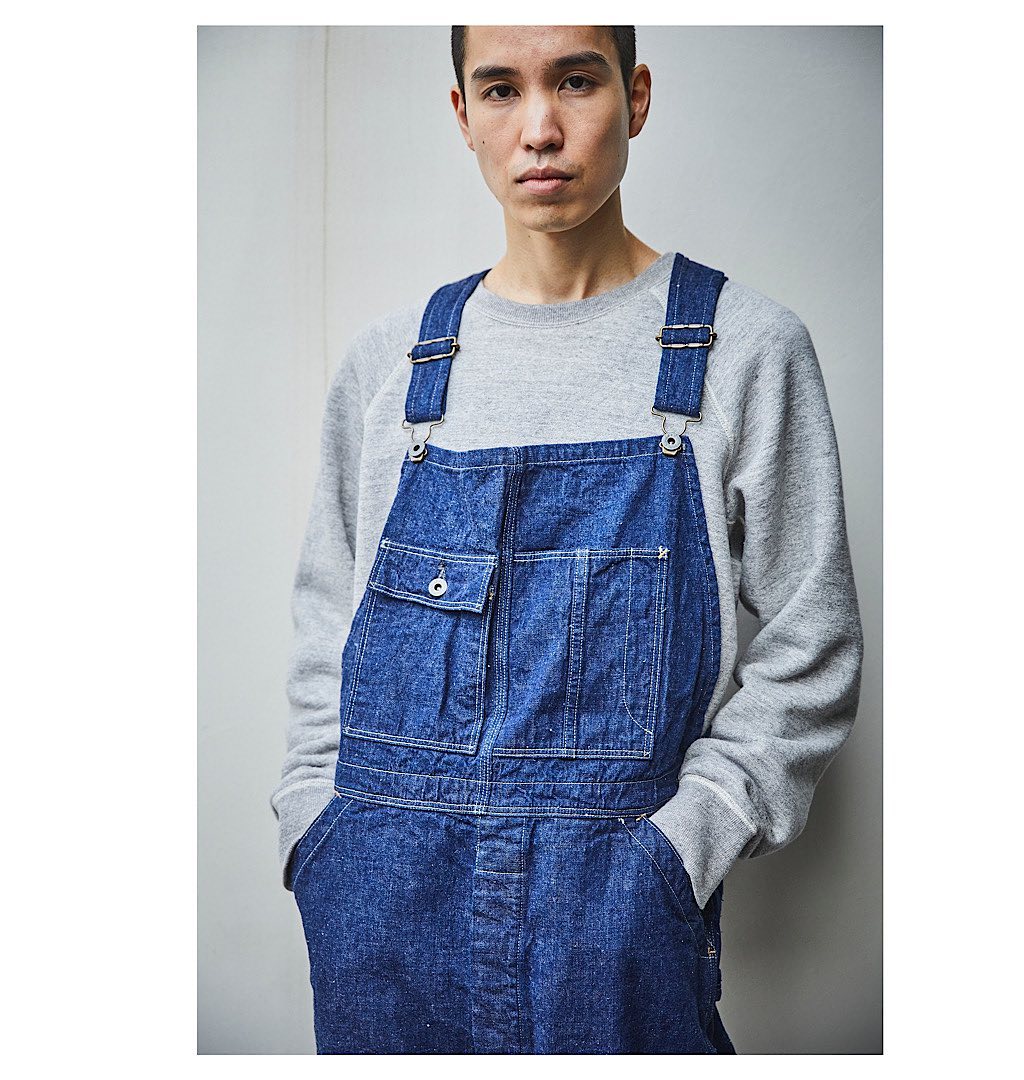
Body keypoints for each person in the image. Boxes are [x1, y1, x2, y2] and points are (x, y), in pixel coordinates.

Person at [270, 24, 864, 1055]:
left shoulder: (746, 350)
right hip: (385, 916)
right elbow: (329, 626)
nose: (540, 129)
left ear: (636, 97)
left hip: (614, 925)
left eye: (577, 82)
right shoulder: (390, 369)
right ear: (462, 113)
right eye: (501, 89)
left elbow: (812, 648)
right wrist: (316, 831)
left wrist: (680, 852)